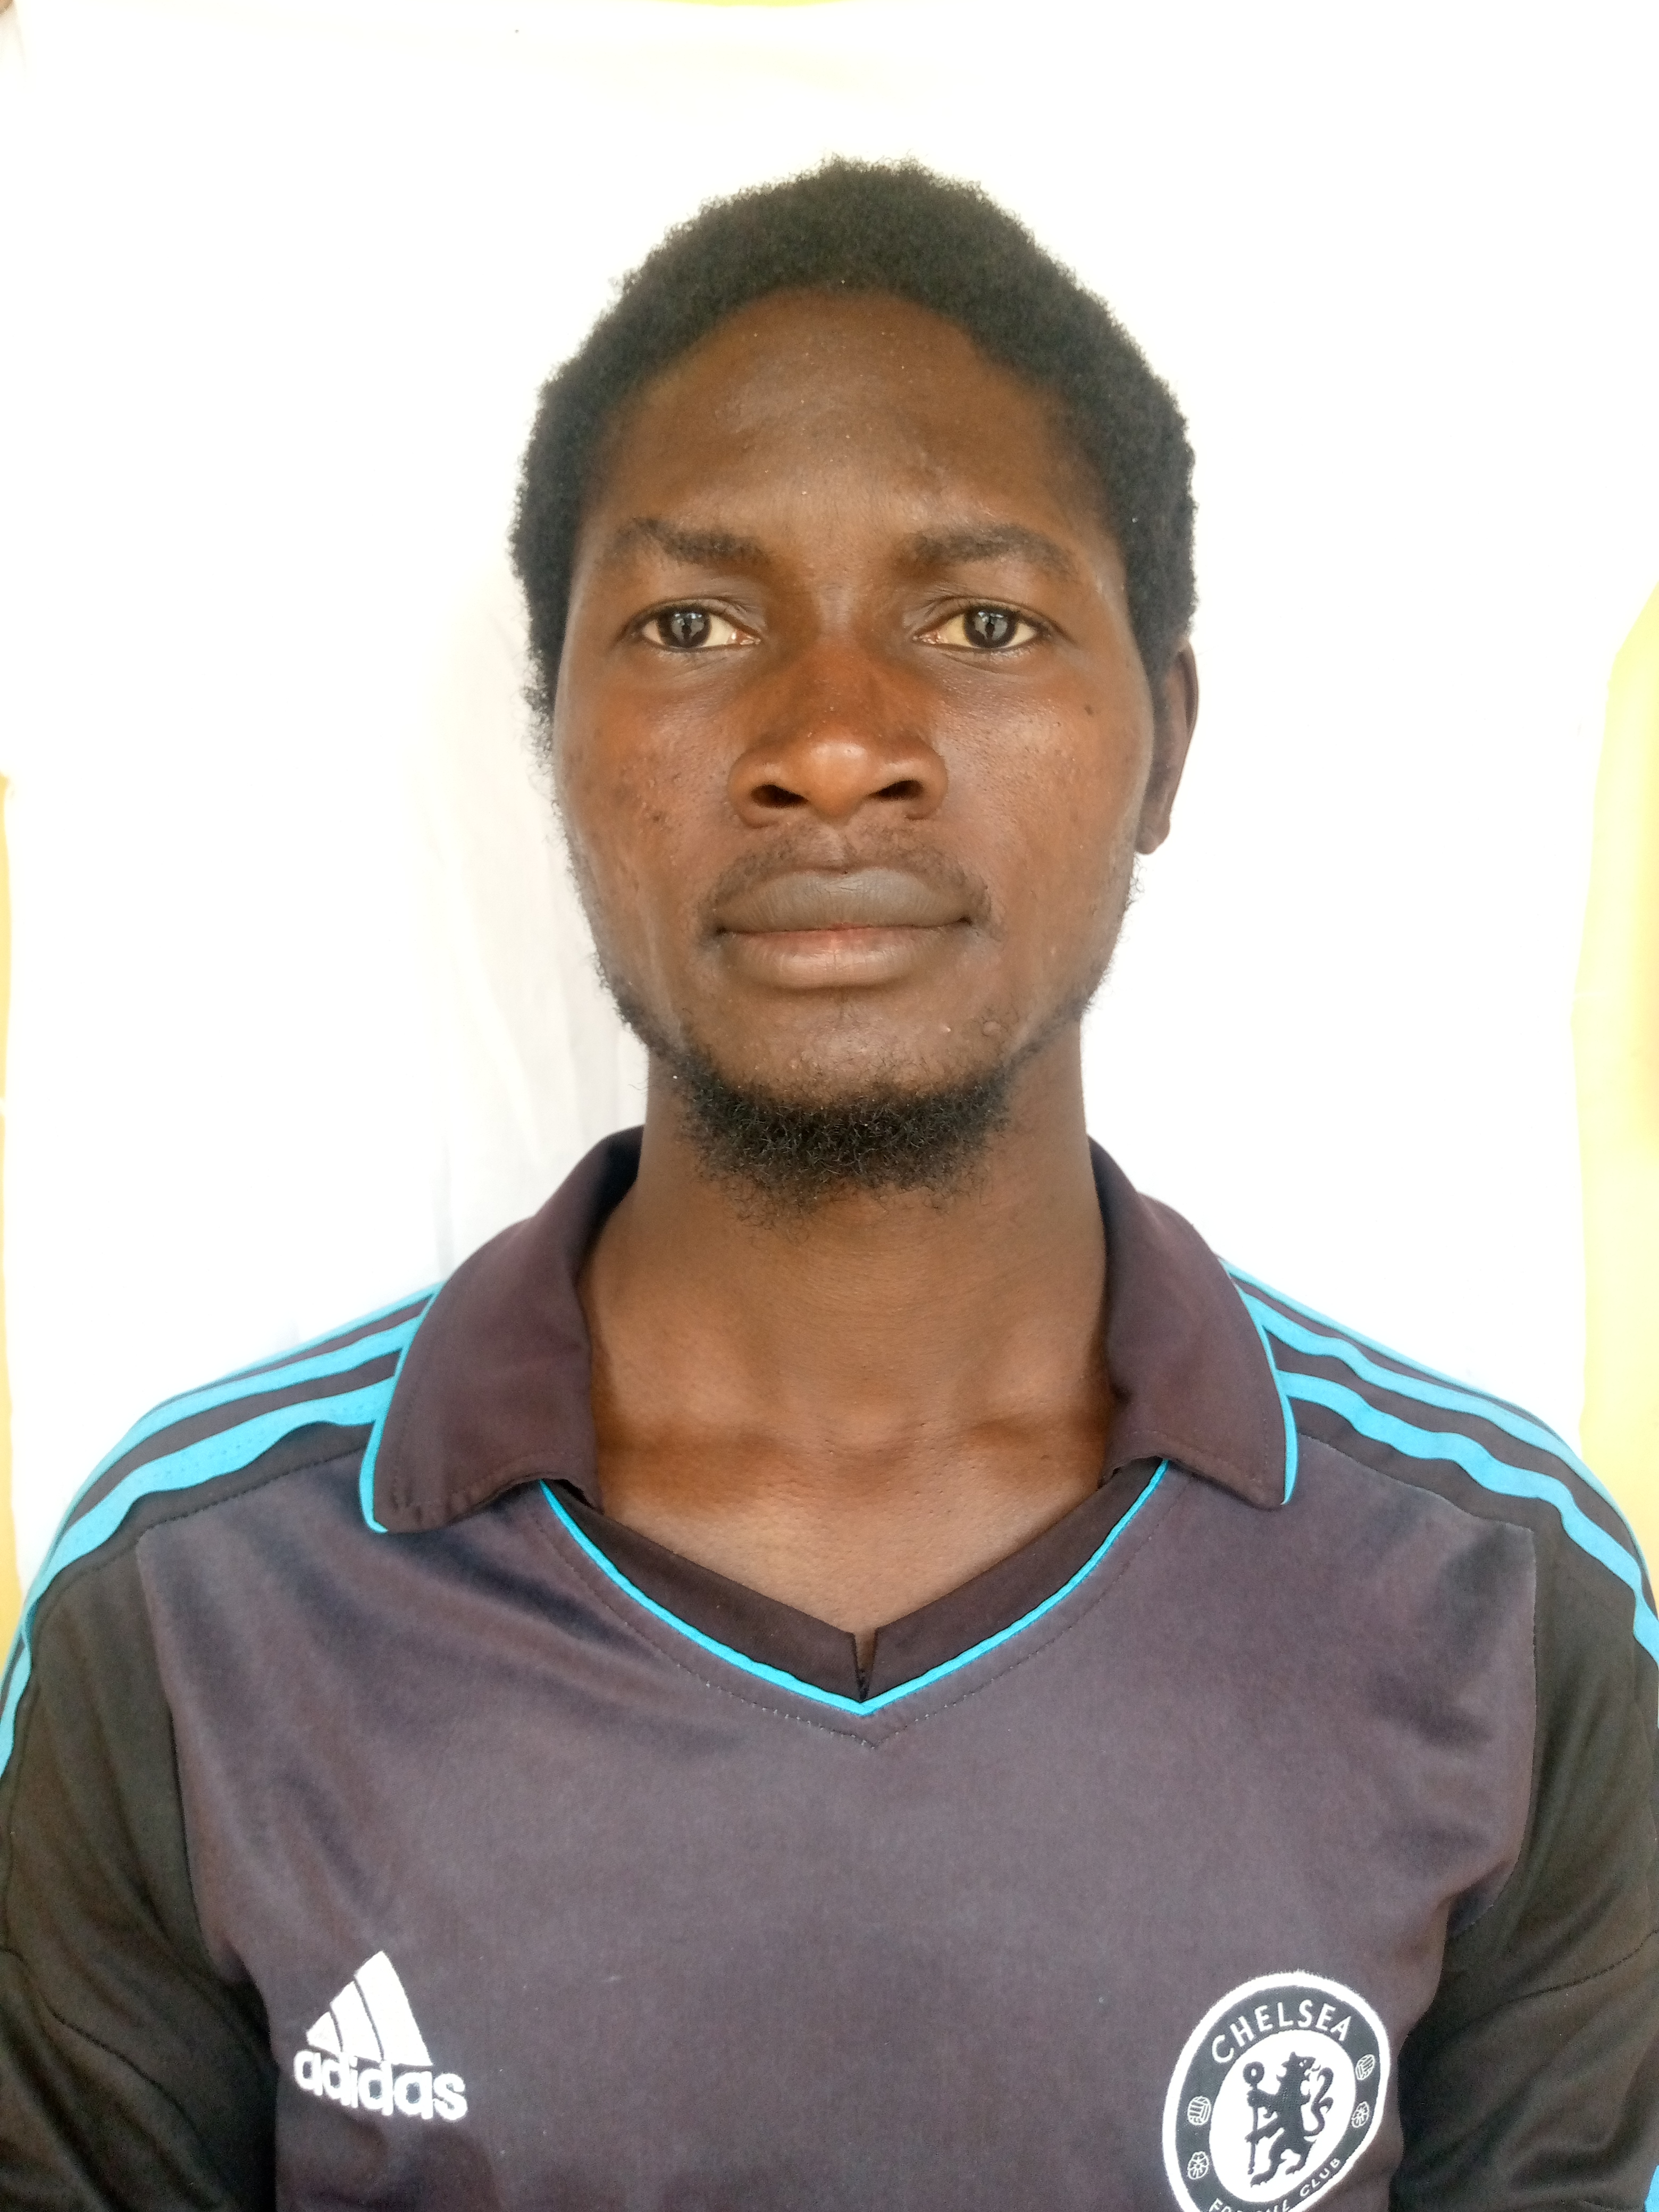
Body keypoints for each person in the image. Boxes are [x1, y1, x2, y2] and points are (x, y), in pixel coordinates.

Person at [0, 160, 1654, 2212]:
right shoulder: (192, 1606)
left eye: (982, 621)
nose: (837, 742)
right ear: (552, 735)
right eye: (695, 624)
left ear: (1165, 747)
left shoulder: (1505, 1607)